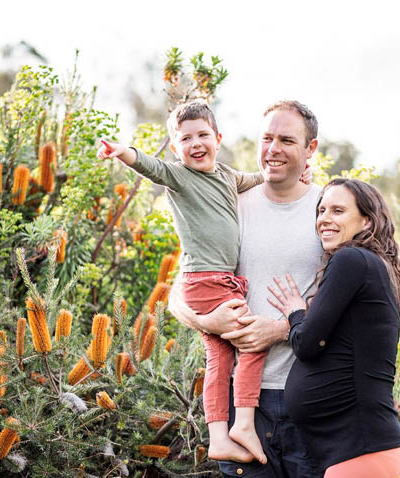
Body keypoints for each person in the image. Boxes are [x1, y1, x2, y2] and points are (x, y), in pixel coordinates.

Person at [98, 101, 269, 464]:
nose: (196, 143)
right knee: (253, 344)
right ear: (176, 148)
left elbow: (258, 179)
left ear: (218, 139)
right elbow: (151, 166)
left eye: (203, 135)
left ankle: (220, 435)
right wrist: (123, 152)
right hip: (206, 280)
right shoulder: (179, 176)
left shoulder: (227, 175)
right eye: (185, 138)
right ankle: (244, 424)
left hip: (220, 280)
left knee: (220, 359)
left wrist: (284, 175)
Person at [169, 100, 325, 477]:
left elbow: (349, 299)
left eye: (287, 140)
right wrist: (209, 321)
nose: (273, 149)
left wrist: (279, 329)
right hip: (243, 405)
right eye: (267, 138)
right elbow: (178, 292)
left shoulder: (328, 208)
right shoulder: (229, 202)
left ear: (311, 149)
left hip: (309, 395)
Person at [267, 178, 400, 477]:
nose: (324, 219)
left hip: (362, 448)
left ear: (366, 221)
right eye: (321, 210)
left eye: (337, 211)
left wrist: (296, 312)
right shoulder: (368, 265)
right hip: (359, 449)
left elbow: (307, 343)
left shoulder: (351, 259)